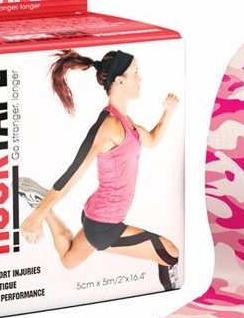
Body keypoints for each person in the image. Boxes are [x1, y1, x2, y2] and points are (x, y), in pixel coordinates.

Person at [18, 48, 181, 290]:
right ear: (120, 80)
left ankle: (47, 209)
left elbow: (152, 140)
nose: (140, 78)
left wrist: (167, 112)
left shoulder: (126, 121)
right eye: (136, 73)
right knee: (170, 254)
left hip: (97, 214)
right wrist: (35, 218)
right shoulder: (108, 126)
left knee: (68, 260)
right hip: (104, 224)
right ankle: (172, 291)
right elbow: (73, 172)